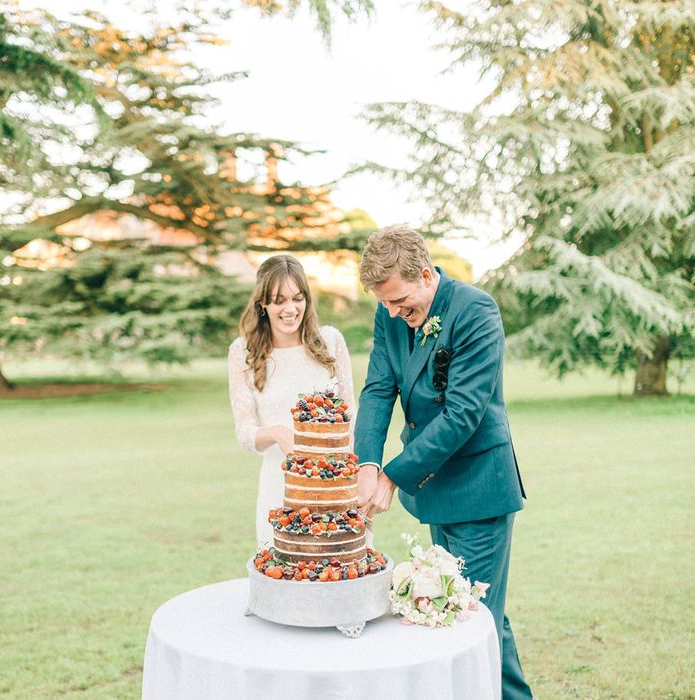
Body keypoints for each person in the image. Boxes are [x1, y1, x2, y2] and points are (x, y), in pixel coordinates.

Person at [354, 225, 532, 700]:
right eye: (386, 303)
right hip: (433, 491)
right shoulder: (390, 309)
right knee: (478, 613)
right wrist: (367, 463)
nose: (394, 313)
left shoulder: (475, 310)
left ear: (427, 275)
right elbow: (377, 388)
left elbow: (463, 414)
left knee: (469, 627)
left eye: (402, 303)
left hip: (478, 488)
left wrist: (393, 474)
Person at [228, 254, 356, 550]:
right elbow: (245, 432)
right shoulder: (242, 353)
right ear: (263, 304)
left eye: (298, 298)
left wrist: (350, 484)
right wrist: (276, 433)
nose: (290, 308)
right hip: (279, 488)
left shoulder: (330, 342)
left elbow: (351, 419)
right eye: (279, 300)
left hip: (333, 486)